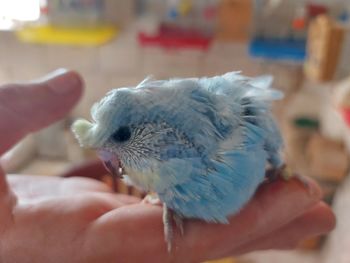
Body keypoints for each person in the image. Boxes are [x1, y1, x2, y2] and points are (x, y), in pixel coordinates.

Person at [0, 69, 335, 263]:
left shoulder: (240, 127)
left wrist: (279, 169)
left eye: (123, 136)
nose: (109, 161)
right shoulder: (156, 172)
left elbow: (270, 147)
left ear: (166, 128)